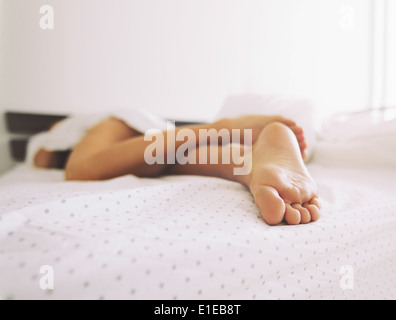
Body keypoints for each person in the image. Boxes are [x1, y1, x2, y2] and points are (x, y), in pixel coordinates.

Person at [34, 115, 320, 226]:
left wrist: (50, 139)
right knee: (178, 157)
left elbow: (48, 161)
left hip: (123, 127)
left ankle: (223, 128)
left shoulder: (71, 127)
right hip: (161, 143)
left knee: (83, 168)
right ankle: (250, 164)